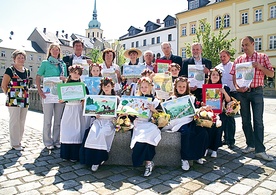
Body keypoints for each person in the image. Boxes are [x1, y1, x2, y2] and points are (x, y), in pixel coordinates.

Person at [230, 36, 274, 161]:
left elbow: (271, 73)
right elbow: (234, 77)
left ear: (253, 44)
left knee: (258, 121)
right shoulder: (239, 59)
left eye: (246, 45)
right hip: (243, 93)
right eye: (242, 45)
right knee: (245, 120)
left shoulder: (262, 57)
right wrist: (238, 88)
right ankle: (251, 144)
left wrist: (260, 67)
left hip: (257, 92)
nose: (244, 48)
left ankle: (260, 150)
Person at [162, 77, 209, 171]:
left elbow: (195, 110)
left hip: (190, 120)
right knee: (186, 133)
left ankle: (198, 155)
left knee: (202, 132)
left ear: (187, 87)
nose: (181, 88)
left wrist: (201, 109)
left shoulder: (192, 98)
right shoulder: (171, 98)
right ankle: (185, 158)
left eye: (184, 86)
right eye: (179, 86)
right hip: (179, 123)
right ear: (175, 87)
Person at [80, 77, 117, 171]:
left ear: (112, 87)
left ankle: (100, 158)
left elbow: (120, 113)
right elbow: (92, 111)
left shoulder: (117, 99)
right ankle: (91, 159)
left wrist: (116, 117)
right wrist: (95, 115)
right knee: (93, 132)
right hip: (99, 121)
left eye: (108, 86)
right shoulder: (98, 98)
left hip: (109, 122)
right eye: (104, 86)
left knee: (102, 133)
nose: (106, 88)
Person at [36, 43, 67, 150]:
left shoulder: (62, 64)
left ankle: (56, 140)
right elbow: (38, 76)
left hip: (59, 95)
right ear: (50, 51)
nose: (55, 52)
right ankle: (47, 141)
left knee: (58, 120)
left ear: (59, 52)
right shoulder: (45, 63)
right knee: (48, 120)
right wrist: (40, 91)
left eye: (57, 50)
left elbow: (66, 79)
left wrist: (64, 79)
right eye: (53, 50)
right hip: (47, 95)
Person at [131, 77, 161, 177]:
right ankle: (143, 162)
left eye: (146, 87)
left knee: (149, 138)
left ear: (150, 87)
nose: (144, 89)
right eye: (142, 87)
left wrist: (153, 110)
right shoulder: (136, 99)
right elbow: (132, 115)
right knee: (140, 140)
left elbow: (161, 116)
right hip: (139, 123)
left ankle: (149, 162)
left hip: (151, 123)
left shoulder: (155, 101)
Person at [1, 50, 30, 151]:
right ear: (14, 59)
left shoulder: (27, 71)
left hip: (24, 99)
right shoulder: (10, 70)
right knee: (14, 121)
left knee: (22, 121)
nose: (21, 59)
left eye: (22, 58)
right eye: (19, 58)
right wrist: (9, 95)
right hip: (13, 99)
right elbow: (4, 85)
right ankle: (14, 143)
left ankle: (19, 141)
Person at [59, 65, 88, 162]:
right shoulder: (65, 85)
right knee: (66, 131)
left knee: (77, 131)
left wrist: (84, 101)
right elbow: (61, 100)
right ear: (70, 73)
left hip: (78, 109)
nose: (76, 75)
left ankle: (74, 155)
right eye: (74, 72)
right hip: (68, 109)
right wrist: (61, 99)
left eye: (78, 73)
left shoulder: (83, 86)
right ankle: (65, 154)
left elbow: (85, 100)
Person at [204, 68, 231, 158]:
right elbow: (203, 101)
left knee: (218, 130)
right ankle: (206, 147)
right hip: (208, 112)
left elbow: (228, 100)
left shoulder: (224, 87)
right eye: (213, 75)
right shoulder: (205, 87)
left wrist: (224, 92)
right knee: (207, 130)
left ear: (219, 77)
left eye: (217, 75)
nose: (215, 76)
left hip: (220, 112)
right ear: (210, 77)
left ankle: (215, 149)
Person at [215, 50, 237, 148]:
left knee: (230, 117)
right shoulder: (218, 67)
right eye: (221, 57)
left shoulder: (234, 65)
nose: (222, 58)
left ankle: (231, 140)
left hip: (232, 93)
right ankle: (224, 138)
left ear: (228, 56)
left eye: (224, 56)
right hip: (221, 94)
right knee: (222, 117)